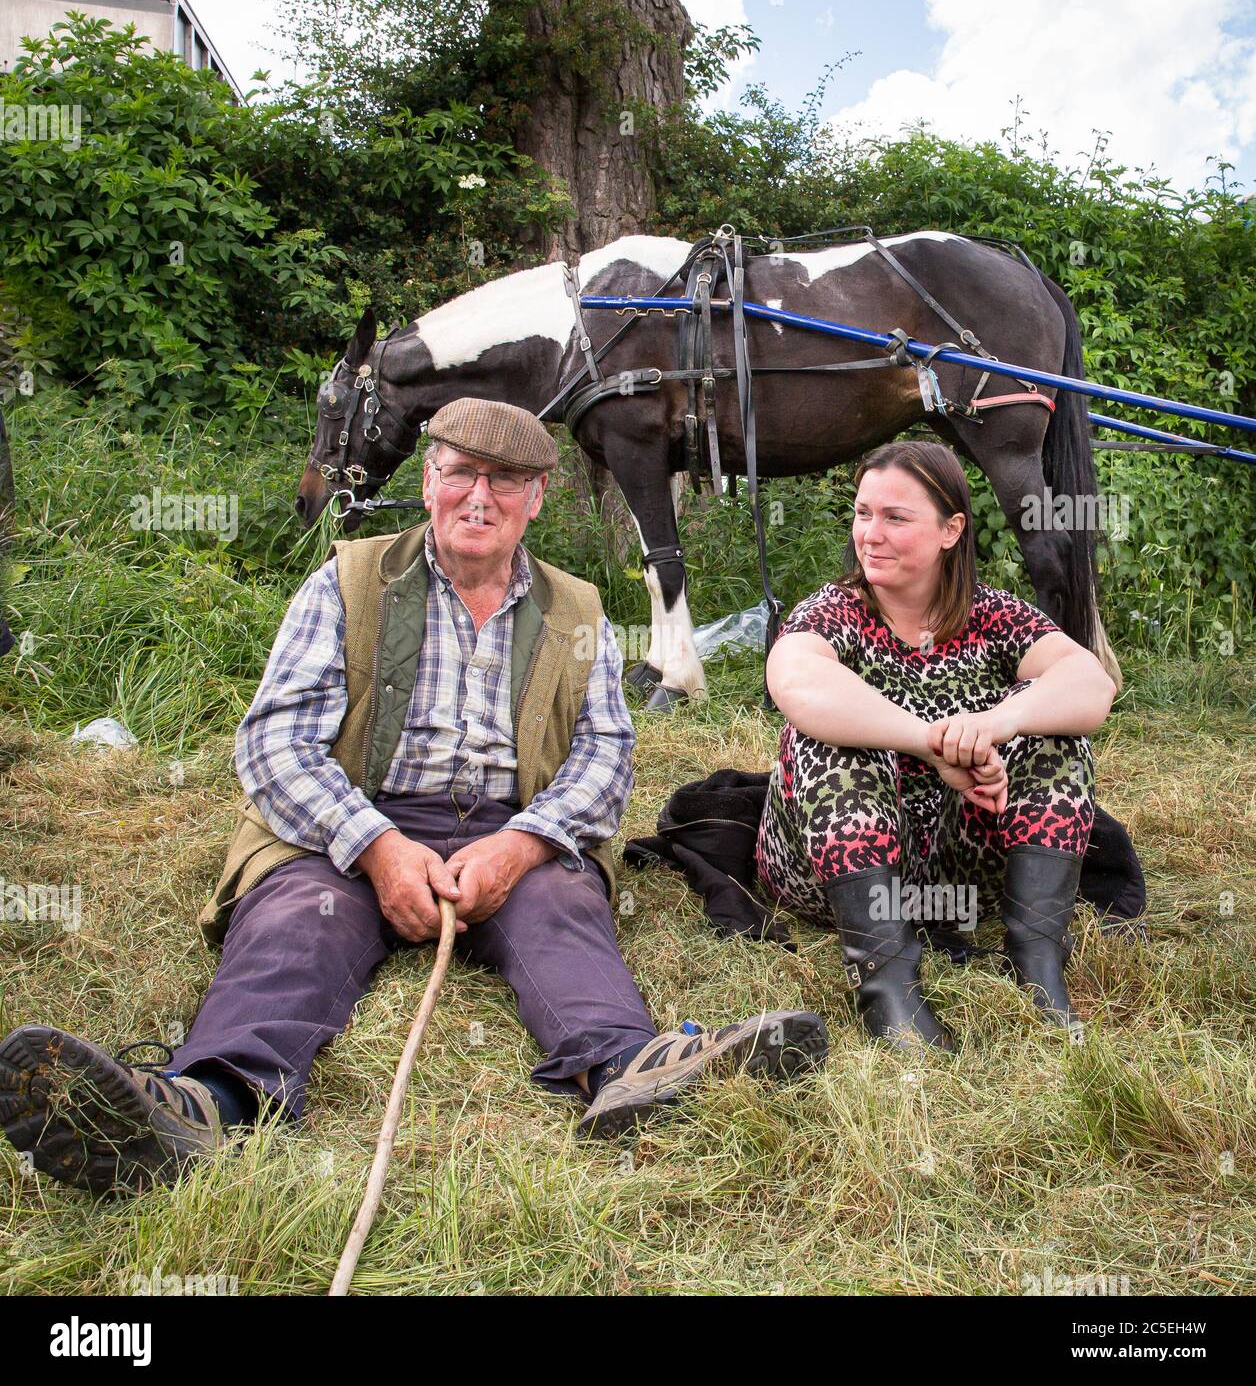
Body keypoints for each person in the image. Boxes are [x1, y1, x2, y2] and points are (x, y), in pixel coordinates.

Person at [0, 398, 827, 1193]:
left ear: (536, 499)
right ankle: (204, 1104)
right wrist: (377, 848)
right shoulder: (348, 581)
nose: (480, 495)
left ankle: (626, 1068)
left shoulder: (579, 609)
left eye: (506, 480)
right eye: (462, 471)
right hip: (353, 825)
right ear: (429, 482)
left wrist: (524, 844)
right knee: (296, 917)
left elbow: (606, 756)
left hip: (513, 829)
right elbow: (276, 741)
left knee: (560, 907)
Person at [756, 439, 1117, 1050]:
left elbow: (1090, 683)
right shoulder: (834, 611)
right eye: (863, 512)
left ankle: (1036, 964)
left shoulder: (995, 615)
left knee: (1056, 736)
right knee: (828, 739)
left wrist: (995, 726)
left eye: (895, 517)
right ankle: (887, 986)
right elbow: (793, 679)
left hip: (955, 873)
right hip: (830, 874)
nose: (870, 534)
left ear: (951, 530)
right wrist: (929, 744)